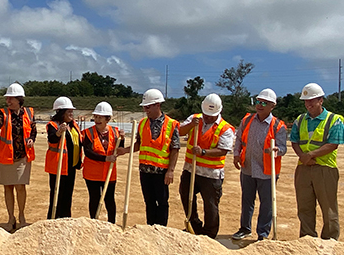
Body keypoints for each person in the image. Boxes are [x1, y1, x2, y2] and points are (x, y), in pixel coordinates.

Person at [290, 83, 344, 240]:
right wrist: (302, 156)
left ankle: (330, 240)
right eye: (306, 101)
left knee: (329, 209)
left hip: (325, 169)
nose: (308, 104)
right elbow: (294, 141)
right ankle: (307, 239)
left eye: (312, 100)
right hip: (303, 168)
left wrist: (311, 155)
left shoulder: (334, 120)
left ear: (321, 100)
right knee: (304, 207)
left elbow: (333, 143)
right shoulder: (300, 120)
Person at [231, 89, 287, 241]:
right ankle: (244, 228)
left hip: (267, 171)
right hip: (248, 167)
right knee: (247, 200)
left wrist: (277, 150)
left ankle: (263, 233)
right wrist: (236, 154)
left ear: (272, 106)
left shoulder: (278, 126)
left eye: (264, 103)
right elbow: (239, 140)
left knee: (266, 203)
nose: (260, 105)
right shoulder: (247, 120)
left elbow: (283, 148)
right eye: (258, 102)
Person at [178, 93, 234, 238]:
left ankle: (209, 233)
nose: (207, 117)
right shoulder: (195, 118)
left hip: (211, 174)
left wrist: (203, 152)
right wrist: (191, 125)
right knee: (186, 196)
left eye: (211, 115)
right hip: (191, 170)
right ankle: (194, 226)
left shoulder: (225, 128)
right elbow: (179, 131)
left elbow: (223, 150)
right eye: (206, 114)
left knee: (210, 205)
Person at [0, 83, 37, 230]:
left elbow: (33, 130)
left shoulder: (29, 113)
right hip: (6, 156)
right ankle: (11, 217)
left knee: (20, 187)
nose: (8, 101)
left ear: (19, 99)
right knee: (8, 187)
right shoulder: (3, 113)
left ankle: (22, 215)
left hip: (22, 156)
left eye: (11, 98)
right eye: (7, 98)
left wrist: (31, 139)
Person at [133, 89, 179, 226]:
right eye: (144, 107)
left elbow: (175, 149)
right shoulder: (142, 124)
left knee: (162, 202)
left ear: (157, 105)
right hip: (145, 171)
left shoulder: (171, 124)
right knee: (149, 202)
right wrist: (125, 150)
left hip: (161, 172)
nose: (145, 110)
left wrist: (171, 171)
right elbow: (139, 144)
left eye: (148, 107)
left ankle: (161, 230)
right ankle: (150, 228)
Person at [82, 101, 129, 223]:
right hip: (92, 173)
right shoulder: (88, 133)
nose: (97, 120)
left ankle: (111, 223)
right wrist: (105, 158)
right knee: (95, 198)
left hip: (109, 172)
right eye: (96, 117)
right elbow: (88, 152)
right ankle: (94, 221)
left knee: (109, 199)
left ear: (107, 119)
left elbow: (118, 149)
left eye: (100, 117)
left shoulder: (115, 132)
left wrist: (122, 139)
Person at [46, 96, 82, 219]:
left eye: (72, 111)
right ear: (61, 112)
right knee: (57, 195)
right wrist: (59, 132)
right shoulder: (53, 125)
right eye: (69, 111)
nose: (71, 114)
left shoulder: (74, 125)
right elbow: (52, 138)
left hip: (71, 166)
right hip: (58, 166)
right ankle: (53, 219)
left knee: (68, 195)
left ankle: (65, 218)